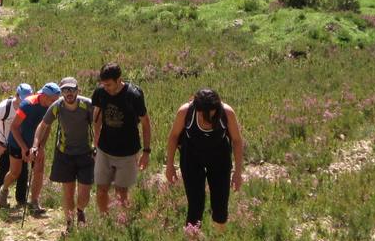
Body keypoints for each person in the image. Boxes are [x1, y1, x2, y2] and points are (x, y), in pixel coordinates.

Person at [165, 88, 244, 230]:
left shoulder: (227, 113)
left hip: (219, 157)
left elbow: (237, 141)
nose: (207, 119)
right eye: (203, 115)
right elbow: (173, 137)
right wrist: (169, 165)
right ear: (196, 108)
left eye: (211, 115)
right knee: (195, 204)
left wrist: (238, 172)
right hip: (192, 157)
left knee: (220, 204)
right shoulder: (185, 112)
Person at [33, 77, 95, 232]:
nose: (69, 93)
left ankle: (80, 210)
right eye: (65, 90)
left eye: (72, 89)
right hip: (65, 154)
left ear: (77, 90)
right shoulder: (57, 106)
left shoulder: (87, 105)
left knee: (84, 193)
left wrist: (99, 148)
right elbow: (43, 125)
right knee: (68, 192)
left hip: (86, 153)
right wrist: (35, 145)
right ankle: (69, 223)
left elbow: (98, 125)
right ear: (61, 92)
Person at [91, 63, 151, 216]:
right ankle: (105, 220)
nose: (106, 88)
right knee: (101, 189)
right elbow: (97, 115)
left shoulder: (133, 95)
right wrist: (96, 138)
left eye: (109, 84)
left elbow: (145, 122)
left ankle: (122, 225)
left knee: (121, 192)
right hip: (105, 148)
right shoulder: (100, 93)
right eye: (103, 84)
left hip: (127, 151)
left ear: (119, 80)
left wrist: (146, 151)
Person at [0, 83, 61, 215]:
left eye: (56, 100)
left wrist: (42, 147)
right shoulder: (28, 104)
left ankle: (34, 202)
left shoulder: (52, 107)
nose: (55, 103)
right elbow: (14, 128)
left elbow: (47, 127)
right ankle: (4, 190)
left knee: (38, 171)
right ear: (44, 96)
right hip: (17, 142)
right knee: (15, 172)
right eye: (53, 100)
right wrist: (23, 148)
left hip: (36, 143)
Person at [0, 84, 32, 208]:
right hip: (4, 142)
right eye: (22, 98)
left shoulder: (30, 107)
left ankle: (21, 199)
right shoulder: (5, 107)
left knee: (23, 171)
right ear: (16, 95)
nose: (25, 101)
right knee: (4, 169)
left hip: (20, 142)